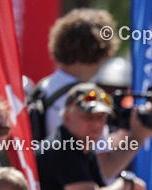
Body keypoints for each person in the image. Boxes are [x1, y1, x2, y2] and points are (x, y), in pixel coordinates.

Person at [36, 83, 152, 190]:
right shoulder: (62, 148)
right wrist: (128, 183)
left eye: (101, 117)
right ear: (67, 117)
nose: (96, 123)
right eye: (88, 116)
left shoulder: (83, 147)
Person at [36, 9, 120, 139]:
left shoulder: (43, 86)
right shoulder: (88, 96)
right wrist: (138, 135)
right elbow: (99, 152)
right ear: (99, 51)